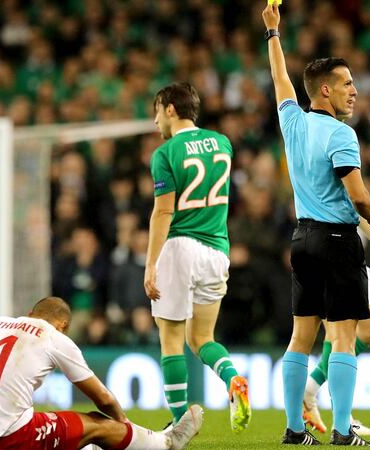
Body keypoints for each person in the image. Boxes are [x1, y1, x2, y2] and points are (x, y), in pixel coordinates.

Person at [263, 2, 370, 446]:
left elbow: (280, 80)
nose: (354, 91)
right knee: (344, 340)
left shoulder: (292, 121)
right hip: (337, 240)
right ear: (322, 91)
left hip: (303, 237)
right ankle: (341, 431)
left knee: (300, 338)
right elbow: (356, 194)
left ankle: (295, 431)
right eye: (346, 84)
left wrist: (273, 34)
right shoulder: (341, 135)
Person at [0, 297, 202, 450]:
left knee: (71, 431)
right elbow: (104, 399)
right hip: (7, 441)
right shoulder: (51, 335)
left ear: (30, 314)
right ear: (63, 327)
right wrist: (125, 428)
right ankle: (168, 442)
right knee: (97, 422)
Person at [144, 82, 250, 433]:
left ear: (171, 109)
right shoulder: (223, 143)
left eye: (157, 111)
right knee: (202, 338)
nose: (156, 120)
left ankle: (178, 425)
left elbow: (163, 213)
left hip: (180, 248)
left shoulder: (165, 153)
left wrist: (150, 264)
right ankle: (233, 379)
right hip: (218, 250)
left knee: (171, 341)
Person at [302, 218, 370, 437]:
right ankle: (343, 421)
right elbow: (355, 202)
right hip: (333, 249)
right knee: (337, 335)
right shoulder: (340, 182)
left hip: (353, 254)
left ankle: (309, 389)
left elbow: (357, 207)